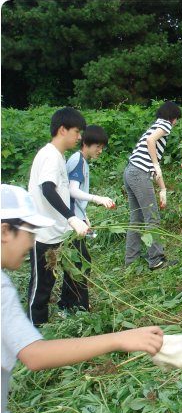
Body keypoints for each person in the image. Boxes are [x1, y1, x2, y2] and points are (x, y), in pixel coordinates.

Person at [1, 184, 182, 413]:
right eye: (29, 232)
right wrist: (122, 339)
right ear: (5, 231)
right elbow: (34, 355)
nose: (32, 242)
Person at [27, 107, 91, 326]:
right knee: (42, 287)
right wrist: (71, 217)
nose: (79, 137)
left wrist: (75, 218)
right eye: (76, 131)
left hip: (58, 232)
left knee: (75, 268)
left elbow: (61, 191)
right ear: (62, 130)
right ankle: (35, 330)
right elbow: (47, 189)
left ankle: (70, 310)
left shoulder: (57, 156)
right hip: (43, 235)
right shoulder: (49, 156)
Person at [124, 101, 181, 270]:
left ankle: (131, 261)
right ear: (172, 117)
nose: (176, 123)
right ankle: (156, 260)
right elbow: (151, 143)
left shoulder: (154, 125)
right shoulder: (165, 125)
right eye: (177, 119)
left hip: (130, 172)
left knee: (137, 220)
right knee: (152, 218)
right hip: (139, 173)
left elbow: (150, 161)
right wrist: (156, 165)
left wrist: (162, 188)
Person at [64, 125, 115, 314]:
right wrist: (98, 199)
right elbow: (72, 190)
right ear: (86, 143)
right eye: (97, 147)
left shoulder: (83, 162)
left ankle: (69, 304)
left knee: (78, 262)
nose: (100, 151)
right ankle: (77, 306)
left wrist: (85, 217)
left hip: (76, 220)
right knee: (81, 263)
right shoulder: (77, 160)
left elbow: (76, 197)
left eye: (102, 147)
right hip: (69, 223)